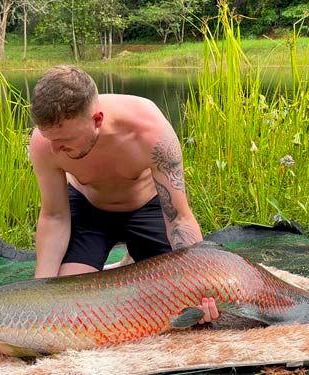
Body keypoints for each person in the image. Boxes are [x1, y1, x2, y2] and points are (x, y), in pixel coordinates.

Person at [29, 65, 219, 324]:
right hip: (88, 210)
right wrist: (40, 293)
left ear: (97, 119)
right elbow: (54, 217)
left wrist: (199, 284)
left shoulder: (151, 132)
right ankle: (123, 263)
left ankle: (134, 257)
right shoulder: (44, 145)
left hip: (145, 207)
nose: (56, 149)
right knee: (69, 307)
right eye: (49, 138)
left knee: (179, 300)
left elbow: (179, 220)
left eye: (64, 139)